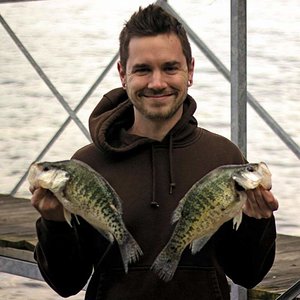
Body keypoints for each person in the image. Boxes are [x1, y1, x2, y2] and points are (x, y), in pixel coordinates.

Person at [30, 4, 278, 300]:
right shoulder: (85, 165)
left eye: (170, 67)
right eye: (143, 69)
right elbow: (66, 282)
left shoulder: (223, 156)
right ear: (123, 74)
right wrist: (54, 224)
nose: (157, 83)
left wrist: (257, 221)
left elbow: (249, 272)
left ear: (190, 71)